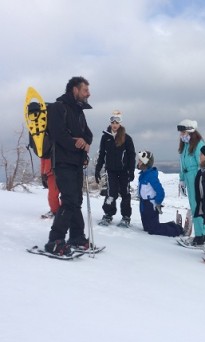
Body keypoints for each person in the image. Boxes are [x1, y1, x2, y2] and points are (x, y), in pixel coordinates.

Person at [44, 76, 93, 255]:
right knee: (70, 200)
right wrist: (77, 143)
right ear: (75, 90)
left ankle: (77, 237)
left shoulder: (79, 111)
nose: (89, 93)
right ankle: (54, 241)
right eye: (85, 90)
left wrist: (85, 145)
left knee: (76, 201)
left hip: (77, 162)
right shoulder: (58, 107)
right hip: (62, 162)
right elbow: (58, 134)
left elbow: (88, 134)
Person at [95, 110, 136, 227]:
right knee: (111, 193)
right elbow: (102, 154)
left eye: (117, 122)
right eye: (113, 122)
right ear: (110, 123)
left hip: (124, 171)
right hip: (111, 171)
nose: (114, 124)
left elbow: (131, 155)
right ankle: (108, 214)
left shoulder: (127, 138)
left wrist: (131, 171)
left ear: (120, 123)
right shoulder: (105, 138)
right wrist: (98, 169)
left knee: (125, 193)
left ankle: (126, 216)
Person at [137, 151, 184, 237]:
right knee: (147, 228)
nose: (138, 162)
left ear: (145, 162)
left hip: (151, 205)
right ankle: (172, 225)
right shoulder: (143, 175)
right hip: (143, 204)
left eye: (140, 160)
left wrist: (157, 202)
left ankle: (177, 230)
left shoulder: (151, 176)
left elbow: (160, 191)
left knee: (153, 229)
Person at [177, 119, 205, 245]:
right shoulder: (185, 145)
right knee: (193, 205)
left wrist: (200, 180)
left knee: (198, 207)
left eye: (183, 132)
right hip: (189, 177)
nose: (181, 135)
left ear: (190, 132)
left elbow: (201, 164)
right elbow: (183, 164)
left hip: (196, 177)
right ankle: (199, 234)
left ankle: (201, 235)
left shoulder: (198, 144)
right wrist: (182, 179)